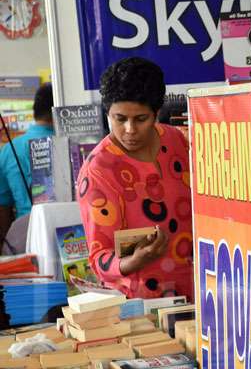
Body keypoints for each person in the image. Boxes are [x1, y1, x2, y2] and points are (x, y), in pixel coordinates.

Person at [76, 57, 193, 300]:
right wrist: (134, 261)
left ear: (157, 113)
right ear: (107, 113)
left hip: (200, 289)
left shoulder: (178, 141)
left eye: (141, 119)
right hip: (142, 304)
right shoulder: (98, 170)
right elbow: (99, 259)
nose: (130, 130)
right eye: (120, 119)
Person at [0, 82, 54, 246]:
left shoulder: (9, 149)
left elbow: (3, 206)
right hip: (67, 232)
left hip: (23, 237)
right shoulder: (69, 142)